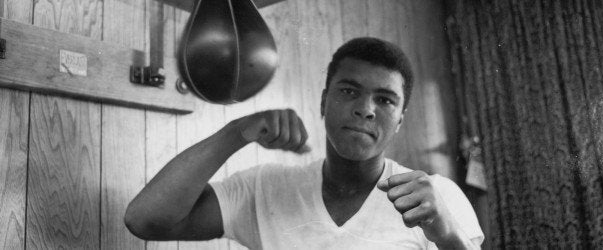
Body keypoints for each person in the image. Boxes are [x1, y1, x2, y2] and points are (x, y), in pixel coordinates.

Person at [125, 37, 484, 249]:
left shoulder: (435, 196)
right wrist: (235, 132)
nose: (365, 110)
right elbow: (145, 220)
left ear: (400, 120)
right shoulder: (265, 187)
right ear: (323, 101)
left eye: (385, 100)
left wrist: (448, 236)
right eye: (349, 91)